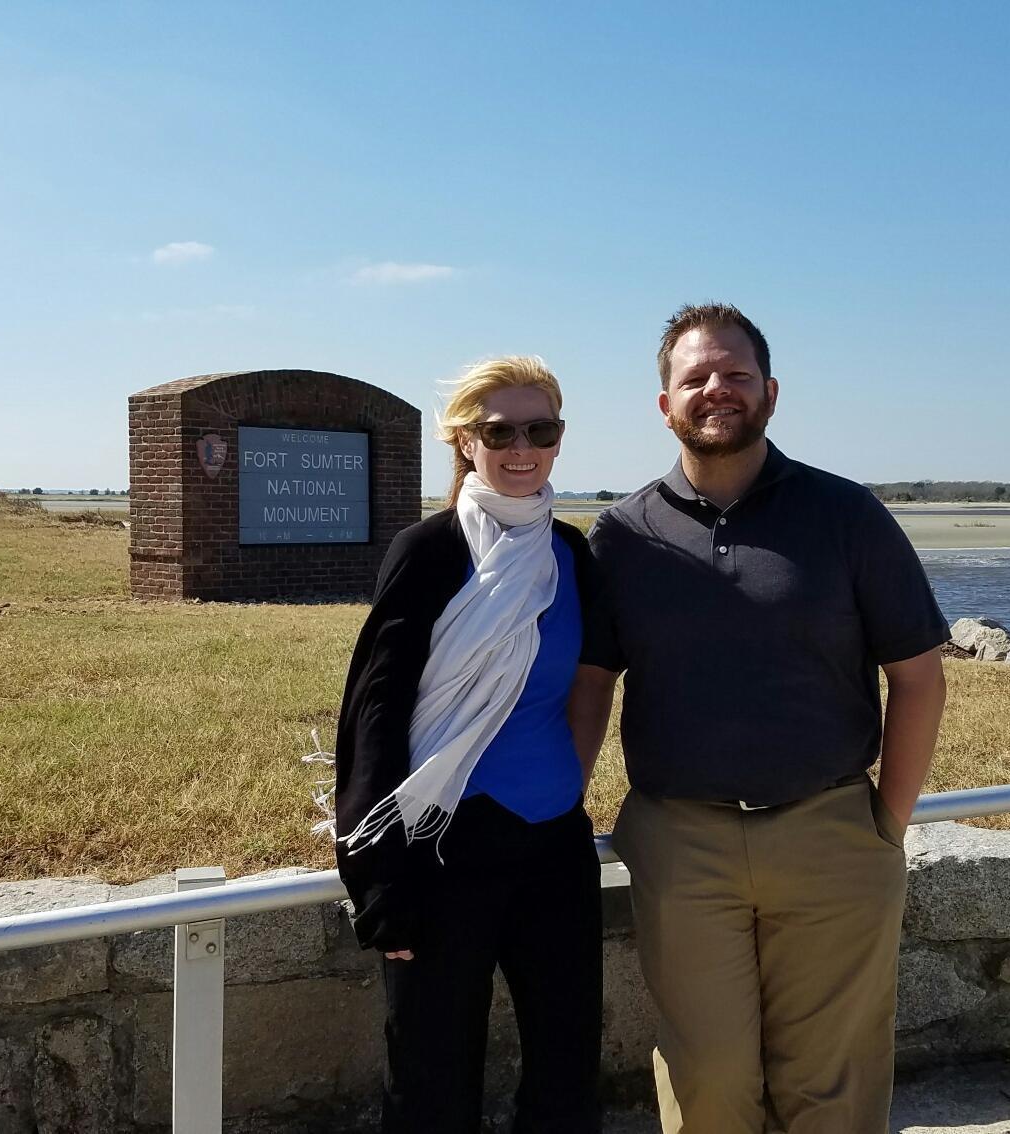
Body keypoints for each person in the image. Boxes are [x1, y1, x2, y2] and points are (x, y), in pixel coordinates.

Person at [570, 304, 948, 1134]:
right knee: (709, 1083)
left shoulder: (847, 516)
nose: (717, 389)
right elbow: (591, 683)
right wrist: (560, 804)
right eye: (695, 377)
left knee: (833, 1090)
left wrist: (888, 820)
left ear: (770, 391)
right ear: (664, 405)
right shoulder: (621, 536)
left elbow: (917, 676)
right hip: (681, 842)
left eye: (736, 374)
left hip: (833, 835)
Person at [334, 356, 602, 1134]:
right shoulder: (428, 551)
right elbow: (375, 709)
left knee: (565, 1065)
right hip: (441, 848)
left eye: (540, 429)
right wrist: (379, 876)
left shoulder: (574, 555)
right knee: (429, 1074)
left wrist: (568, 787)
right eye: (499, 431)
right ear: (464, 442)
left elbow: (591, 683)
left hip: (552, 843)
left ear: (558, 439)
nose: (522, 447)